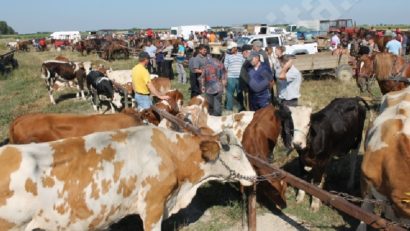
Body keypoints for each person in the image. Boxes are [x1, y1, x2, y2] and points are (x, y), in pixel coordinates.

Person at [224, 42, 245, 112]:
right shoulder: (227, 55)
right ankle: (229, 108)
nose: (230, 50)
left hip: (240, 77)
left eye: (231, 49)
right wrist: (225, 78)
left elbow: (244, 65)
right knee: (230, 93)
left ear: (235, 48)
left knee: (240, 93)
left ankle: (241, 108)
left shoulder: (241, 55)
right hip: (231, 77)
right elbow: (225, 67)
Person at [239, 44, 253, 110]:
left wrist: (247, 86)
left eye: (242, 53)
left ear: (246, 52)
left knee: (250, 106)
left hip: (250, 89)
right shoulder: (248, 60)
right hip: (248, 88)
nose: (242, 55)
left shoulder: (250, 61)